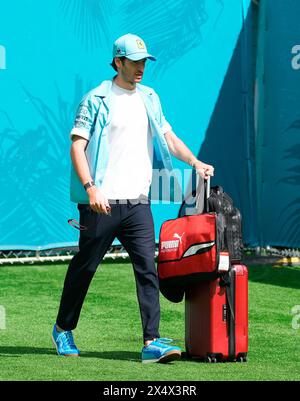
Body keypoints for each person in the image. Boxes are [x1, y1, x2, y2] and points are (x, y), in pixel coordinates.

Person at [52, 33, 214, 363]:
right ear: (118, 62)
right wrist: (90, 188)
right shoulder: (95, 98)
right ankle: (63, 328)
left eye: (144, 62)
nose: (141, 67)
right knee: (85, 267)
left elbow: (168, 138)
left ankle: (151, 341)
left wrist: (195, 161)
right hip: (101, 202)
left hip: (138, 202)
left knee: (147, 270)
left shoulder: (150, 98)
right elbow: (77, 146)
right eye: (135, 61)